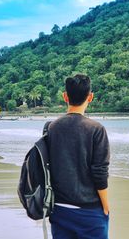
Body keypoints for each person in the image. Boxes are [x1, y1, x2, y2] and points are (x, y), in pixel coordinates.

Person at [47, 74, 110, 239]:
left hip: (59, 209)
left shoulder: (52, 128)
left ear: (65, 96)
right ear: (90, 97)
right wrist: (105, 205)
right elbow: (100, 172)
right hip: (89, 210)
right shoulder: (96, 129)